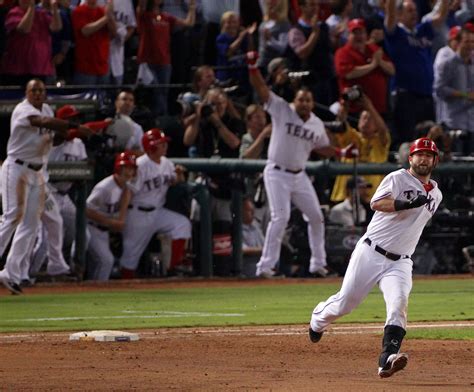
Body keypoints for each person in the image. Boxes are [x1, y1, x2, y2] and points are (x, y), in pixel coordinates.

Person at [309, 137, 443, 378]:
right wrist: (405, 202)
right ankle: (318, 319)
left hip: (401, 261)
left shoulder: (437, 194)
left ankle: (387, 359)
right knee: (346, 303)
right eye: (419, 154)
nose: (424, 158)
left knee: (398, 303)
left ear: (435, 160)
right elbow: (376, 203)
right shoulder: (397, 178)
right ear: (410, 158)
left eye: (429, 155)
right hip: (371, 251)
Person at [246, 51, 358, 278]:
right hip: (276, 171)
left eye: (308, 100)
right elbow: (261, 90)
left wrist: (341, 152)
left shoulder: (316, 123)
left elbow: (320, 147)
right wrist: (252, 67)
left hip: (299, 175)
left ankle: (318, 264)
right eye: (301, 99)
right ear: (294, 100)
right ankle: (265, 267)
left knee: (316, 217)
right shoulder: (282, 109)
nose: (305, 103)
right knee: (281, 217)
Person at [0, 79, 91, 294]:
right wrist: (74, 126)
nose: (38, 93)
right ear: (27, 92)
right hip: (16, 168)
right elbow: (40, 121)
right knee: (13, 216)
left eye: (41, 90)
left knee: (30, 225)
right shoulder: (23, 109)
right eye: (34, 90)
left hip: (38, 171)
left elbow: (53, 139)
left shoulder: (48, 108)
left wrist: (72, 134)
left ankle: (10, 273)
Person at [120, 129, 192, 278]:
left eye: (165, 143)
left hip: (157, 212)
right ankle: (122, 287)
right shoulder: (140, 165)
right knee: (130, 257)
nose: (165, 146)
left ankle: (173, 268)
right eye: (161, 144)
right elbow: (128, 192)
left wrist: (179, 175)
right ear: (151, 146)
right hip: (137, 214)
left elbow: (175, 182)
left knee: (182, 224)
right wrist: (121, 215)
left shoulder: (167, 163)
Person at [384, 0, 449, 147]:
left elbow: (441, 16)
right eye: (409, 11)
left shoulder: (422, 30)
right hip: (405, 96)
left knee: (430, 139)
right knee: (409, 140)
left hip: (426, 96)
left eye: (415, 10)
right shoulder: (396, 33)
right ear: (399, 15)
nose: (415, 13)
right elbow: (390, 12)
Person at [136, 0, 196, 116]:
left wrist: (192, 8)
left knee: (164, 93)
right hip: (148, 62)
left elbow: (189, 23)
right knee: (155, 93)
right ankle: (158, 119)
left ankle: (163, 120)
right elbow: (141, 5)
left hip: (164, 61)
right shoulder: (144, 15)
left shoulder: (166, 17)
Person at [86, 151, 136, 280]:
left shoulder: (127, 187)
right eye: (126, 168)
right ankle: (98, 292)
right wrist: (110, 222)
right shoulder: (104, 187)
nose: (129, 172)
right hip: (90, 228)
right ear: (119, 168)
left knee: (97, 264)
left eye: (132, 168)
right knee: (106, 261)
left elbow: (120, 223)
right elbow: (86, 210)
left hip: (103, 232)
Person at [334, 18, 395, 116]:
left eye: (361, 32)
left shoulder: (373, 49)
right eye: (355, 33)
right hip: (355, 110)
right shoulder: (343, 52)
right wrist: (372, 65)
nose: (359, 36)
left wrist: (380, 63)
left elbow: (392, 70)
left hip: (379, 109)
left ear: (366, 34)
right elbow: (348, 74)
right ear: (349, 35)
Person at [433, 24, 474, 155]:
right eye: (466, 41)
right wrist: (464, 95)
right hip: (454, 122)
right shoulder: (448, 63)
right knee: (456, 162)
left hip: (471, 123)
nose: (470, 45)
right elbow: (439, 89)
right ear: (458, 42)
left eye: (472, 42)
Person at [1, 0, 62, 86]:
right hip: (18, 68)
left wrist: (55, 9)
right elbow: (25, 29)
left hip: (39, 66)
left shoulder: (42, 13)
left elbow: (56, 28)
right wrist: (31, 8)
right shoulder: (14, 12)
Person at [71, 0, 117, 85]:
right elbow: (85, 31)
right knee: (86, 97)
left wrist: (110, 16)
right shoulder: (78, 11)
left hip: (103, 66)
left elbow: (114, 33)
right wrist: (106, 18)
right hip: (85, 68)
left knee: (104, 97)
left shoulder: (102, 11)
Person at [241, 198, 265, 277]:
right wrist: (263, 250)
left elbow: (265, 244)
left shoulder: (255, 226)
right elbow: (242, 250)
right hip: (248, 269)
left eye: (252, 210)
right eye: (249, 210)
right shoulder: (235, 229)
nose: (252, 213)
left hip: (261, 266)